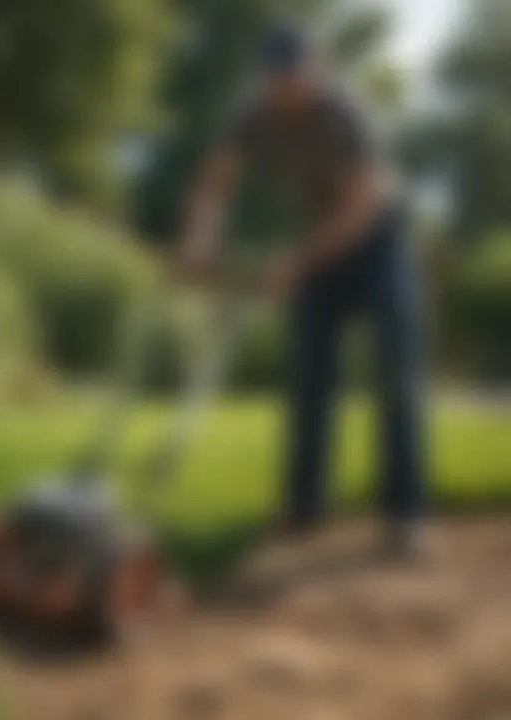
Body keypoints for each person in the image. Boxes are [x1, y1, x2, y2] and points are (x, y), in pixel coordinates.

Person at [177, 23, 426, 557]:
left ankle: (404, 516)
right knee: (310, 375)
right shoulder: (253, 116)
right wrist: (199, 241)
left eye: (296, 80)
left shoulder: (345, 114)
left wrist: (293, 264)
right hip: (319, 239)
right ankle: (304, 508)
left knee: (396, 371)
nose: (287, 92)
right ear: (266, 80)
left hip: (377, 241)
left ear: (316, 72)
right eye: (277, 82)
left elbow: (362, 205)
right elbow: (215, 182)